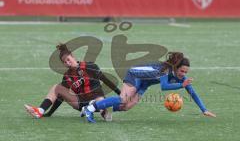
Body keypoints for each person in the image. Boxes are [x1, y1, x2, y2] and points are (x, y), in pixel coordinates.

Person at [82, 52, 216, 123]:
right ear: (175, 68)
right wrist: (181, 85)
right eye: (182, 71)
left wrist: (204, 109)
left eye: (186, 72)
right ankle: (90, 108)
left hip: (145, 83)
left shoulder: (181, 78)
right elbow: (164, 87)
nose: (183, 74)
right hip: (134, 74)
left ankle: (99, 106)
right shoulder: (166, 70)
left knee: (127, 106)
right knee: (123, 100)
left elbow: (192, 92)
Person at [24, 43, 121, 121]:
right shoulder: (67, 76)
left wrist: (120, 93)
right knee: (57, 87)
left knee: (102, 106)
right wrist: (49, 113)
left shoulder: (90, 66)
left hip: (96, 97)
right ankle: (40, 111)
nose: (67, 63)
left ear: (73, 56)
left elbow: (105, 80)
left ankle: (100, 110)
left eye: (68, 60)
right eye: (65, 62)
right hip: (81, 102)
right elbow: (60, 97)